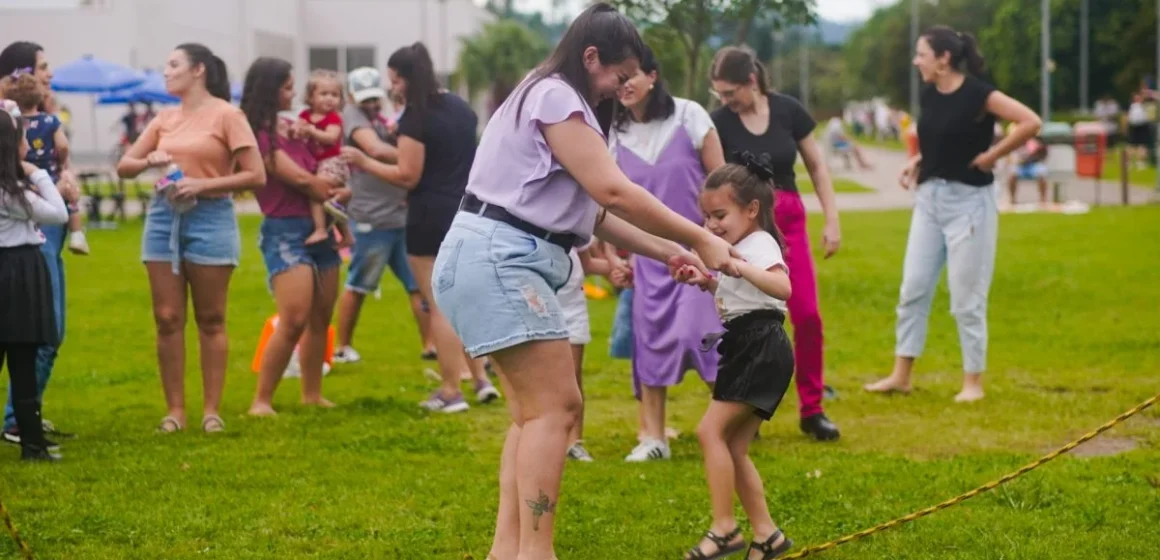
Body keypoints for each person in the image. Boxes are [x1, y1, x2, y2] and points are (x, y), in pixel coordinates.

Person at [429, 4, 739, 559]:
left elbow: (591, 213)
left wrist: (669, 250)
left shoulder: (550, 98)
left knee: (533, 416)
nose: (619, 91)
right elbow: (613, 190)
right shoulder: (556, 96)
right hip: (501, 259)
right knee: (557, 409)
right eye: (617, 78)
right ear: (590, 57)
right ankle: (536, 552)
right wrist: (703, 237)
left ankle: (511, 551)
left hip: (491, 255)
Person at [865, 26, 1040, 402]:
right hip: (929, 201)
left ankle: (972, 382)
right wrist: (917, 161)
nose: (916, 61)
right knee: (913, 288)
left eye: (921, 54)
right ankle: (901, 375)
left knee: (967, 297)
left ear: (943, 59)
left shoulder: (980, 93)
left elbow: (1030, 121)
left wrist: (992, 157)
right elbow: (941, 139)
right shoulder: (930, 95)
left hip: (970, 204)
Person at [341, 42, 499, 412]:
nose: (392, 88)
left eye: (395, 80)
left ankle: (450, 390)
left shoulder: (416, 117)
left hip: (428, 217)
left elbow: (407, 175)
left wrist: (364, 161)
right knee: (463, 302)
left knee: (439, 305)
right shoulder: (461, 109)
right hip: (466, 212)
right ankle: (481, 380)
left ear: (407, 78)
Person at [116, 43, 265, 432]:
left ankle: (211, 410)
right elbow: (125, 165)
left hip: (211, 217)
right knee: (167, 318)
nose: (165, 72)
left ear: (198, 70)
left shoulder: (228, 115)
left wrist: (201, 185)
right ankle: (175, 411)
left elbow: (256, 175)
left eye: (173, 64)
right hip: (164, 218)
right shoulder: (163, 117)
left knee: (211, 317)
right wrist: (147, 161)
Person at [709, 45, 841, 442]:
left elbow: (816, 165)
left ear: (751, 81)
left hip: (790, 220)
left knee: (807, 316)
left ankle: (812, 409)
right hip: (743, 228)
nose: (726, 101)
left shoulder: (788, 110)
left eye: (730, 92)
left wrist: (831, 219)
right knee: (744, 319)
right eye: (720, 95)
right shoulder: (718, 122)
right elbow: (714, 184)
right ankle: (746, 408)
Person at [610, 45, 727, 462]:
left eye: (631, 75)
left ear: (653, 76)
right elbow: (606, 204)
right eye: (617, 78)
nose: (623, 85)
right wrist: (613, 257)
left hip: (698, 252)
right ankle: (654, 439)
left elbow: (721, 184)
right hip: (649, 259)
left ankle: (733, 421)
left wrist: (720, 239)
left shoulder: (689, 115)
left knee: (705, 337)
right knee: (651, 342)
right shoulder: (614, 134)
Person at [675, 155, 795, 560]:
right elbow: (739, 295)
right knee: (733, 444)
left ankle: (725, 528)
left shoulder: (759, 244)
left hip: (760, 344)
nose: (711, 225)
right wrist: (707, 282)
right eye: (706, 217)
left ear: (752, 209)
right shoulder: (740, 247)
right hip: (750, 342)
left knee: (710, 433)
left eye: (720, 214)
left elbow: (781, 288)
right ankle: (768, 536)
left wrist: (740, 268)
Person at [242, 58, 350, 416]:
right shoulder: (258, 133)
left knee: (321, 317)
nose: (294, 93)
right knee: (294, 318)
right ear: (270, 90)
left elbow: (322, 162)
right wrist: (330, 189)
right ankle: (261, 401)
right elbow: (301, 179)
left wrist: (336, 191)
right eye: (288, 87)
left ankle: (311, 394)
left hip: (319, 225)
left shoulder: (294, 127)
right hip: (285, 229)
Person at [0, 41, 82, 444]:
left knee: (44, 330)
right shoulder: (11, 119)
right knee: (43, 330)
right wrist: (43, 177)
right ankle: (18, 420)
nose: (49, 73)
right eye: (43, 66)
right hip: (31, 230)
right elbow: (52, 207)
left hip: (44, 224)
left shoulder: (39, 116)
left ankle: (22, 417)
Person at [330, 67, 433, 364]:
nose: (371, 104)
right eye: (365, 100)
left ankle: (430, 345)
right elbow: (374, 149)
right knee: (359, 284)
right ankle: (342, 345)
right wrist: (416, 156)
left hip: (400, 215)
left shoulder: (381, 119)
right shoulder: (353, 115)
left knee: (418, 285)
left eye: (375, 98)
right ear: (351, 97)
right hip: (370, 217)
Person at [0, 107, 69, 461]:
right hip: (18, 273)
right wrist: (39, 174)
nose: (29, 143)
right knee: (23, 363)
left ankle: (30, 441)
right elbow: (58, 213)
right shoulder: (13, 193)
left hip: (12, 272)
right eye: (23, 137)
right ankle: (32, 445)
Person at [296, 69, 353, 247]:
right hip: (319, 164)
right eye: (324, 94)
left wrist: (311, 130)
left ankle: (320, 229)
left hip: (333, 163)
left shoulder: (334, 118)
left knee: (316, 193)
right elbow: (297, 130)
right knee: (331, 205)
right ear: (311, 97)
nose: (329, 98)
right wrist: (296, 130)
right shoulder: (304, 116)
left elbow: (331, 138)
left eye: (334, 95)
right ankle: (347, 235)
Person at [1006, 132, 1049, 208]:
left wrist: (1030, 159)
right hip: (1020, 167)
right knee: (1012, 174)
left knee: (1041, 173)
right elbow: (1011, 158)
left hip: (1033, 165)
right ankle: (1012, 199)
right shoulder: (1016, 144)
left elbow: (1042, 155)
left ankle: (1043, 199)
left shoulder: (1034, 143)